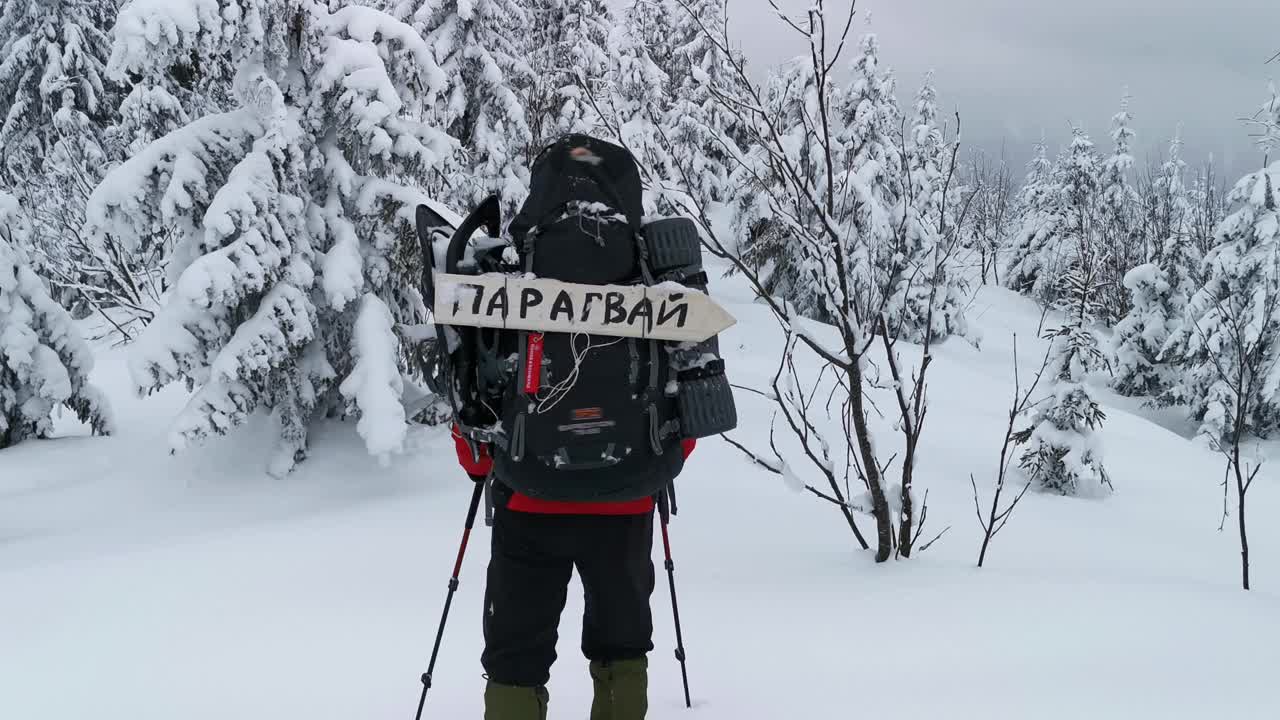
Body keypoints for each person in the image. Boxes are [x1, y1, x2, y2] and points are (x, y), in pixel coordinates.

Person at [454, 431, 695, 720]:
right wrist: (651, 469)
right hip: (626, 505)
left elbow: (471, 419)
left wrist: (480, 465)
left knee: (515, 653)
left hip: (526, 505)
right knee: (622, 640)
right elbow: (686, 417)